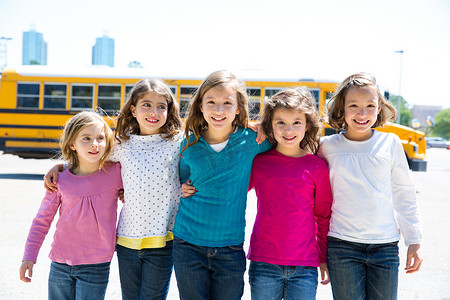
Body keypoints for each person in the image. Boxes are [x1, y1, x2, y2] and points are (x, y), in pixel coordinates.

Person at [43, 79, 183, 300]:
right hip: (127, 238)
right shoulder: (121, 145)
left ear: (170, 110)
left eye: (161, 106)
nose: (153, 112)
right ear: (133, 110)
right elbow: (89, 160)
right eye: (146, 104)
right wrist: (62, 166)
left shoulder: (178, 143)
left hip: (163, 238)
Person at [319, 72, 423, 300]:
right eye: (353, 105)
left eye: (370, 105)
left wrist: (413, 239)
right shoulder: (326, 146)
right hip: (342, 247)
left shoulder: (391, 143)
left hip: (385, 247)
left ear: (379, 108)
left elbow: (403, 192)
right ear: (341, 109)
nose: (362, 113)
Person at [173, 70, 271, 300]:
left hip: (230, 247)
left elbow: (285, 148)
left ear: (238, 108)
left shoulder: (252, 141)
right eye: (211, 102)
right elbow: (182, 178)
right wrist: (181, 187)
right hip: (187, 244)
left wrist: (265, 127)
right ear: (200, 106)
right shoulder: (189, 144)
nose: (218, 110)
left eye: (227, 103)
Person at [19, 111, 123, 300]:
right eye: (86, 138)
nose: (94, 144)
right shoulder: (59, 180)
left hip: (96, 265)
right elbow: (41, 221)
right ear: (72, 144)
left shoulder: (116, 173)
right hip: (60, 264)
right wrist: (29, 256)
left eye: (100, 138)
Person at [247, 88, 333, 300]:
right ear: (270, 125)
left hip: (304, 266)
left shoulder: (317, 167)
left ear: (307, 125)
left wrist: (323, 257)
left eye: (296, 122)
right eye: (280, 123)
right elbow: (232, 189)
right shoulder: (259, 162)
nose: (288, 130)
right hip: (264, 262)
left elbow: (323, 217)